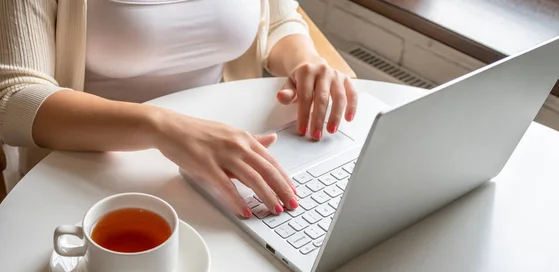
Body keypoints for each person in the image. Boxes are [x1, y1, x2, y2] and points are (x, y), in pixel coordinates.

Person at [0, 0, 357, 218]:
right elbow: (14, 97)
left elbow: (279, 21)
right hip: (91, 165)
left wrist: (306, 61)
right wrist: (163, 127)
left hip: (226, 151)